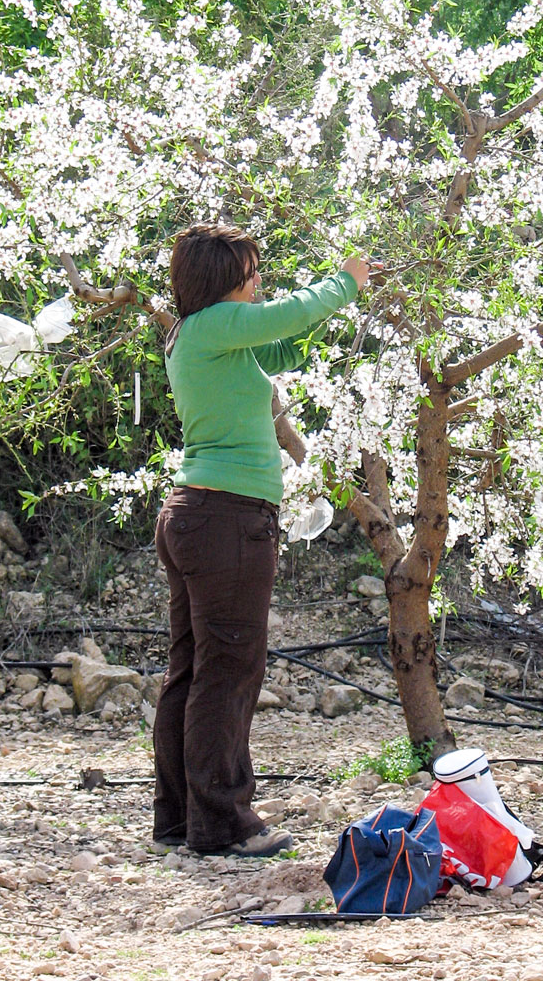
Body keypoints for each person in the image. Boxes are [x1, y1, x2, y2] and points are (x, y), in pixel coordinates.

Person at [152, 222, 372, 856]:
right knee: (229, 671)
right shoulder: (213, 325)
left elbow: (284, 347)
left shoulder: (202, 337)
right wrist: (344, 282)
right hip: (227, 520)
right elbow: (288, 316)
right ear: (222, 280)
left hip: (198, 515)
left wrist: (341, 311)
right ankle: (222, 824)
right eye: (248, 272)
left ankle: (179, 821)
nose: (257, 281)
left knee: (193, 670)